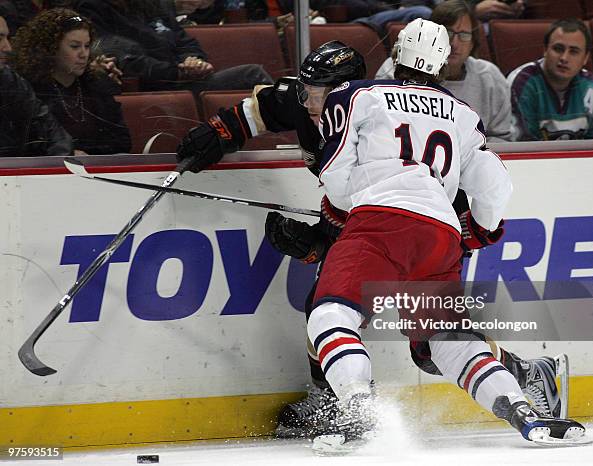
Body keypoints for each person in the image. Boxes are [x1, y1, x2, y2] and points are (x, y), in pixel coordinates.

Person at [176, 41, 563, 440]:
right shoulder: (318, 98)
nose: (310, 102)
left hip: (391, 223)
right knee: (410, 333)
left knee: (396, 339)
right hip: (407, 227)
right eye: (306, 91)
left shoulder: (361, 106)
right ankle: (334, 400)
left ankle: (523, 373)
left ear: (349, 87)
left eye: (319, 94)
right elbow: (260, 110)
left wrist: (316, 244)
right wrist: (218, 132)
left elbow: (374, 208)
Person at [306, 19, 588, 449]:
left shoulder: (356, 94)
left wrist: (341, 209)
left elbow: (337, 176)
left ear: (397, 54)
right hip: (440, 233)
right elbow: (496, 186)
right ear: (441, 64)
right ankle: (525, 412)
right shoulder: (462, 113)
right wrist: (479, 228)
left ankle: (358, 407)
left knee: (330, 315)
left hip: (380, 222)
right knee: (447, 340)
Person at [376, 1, 512, 142]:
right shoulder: (396, 69)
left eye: (464, 35)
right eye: (447, 33)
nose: (454, 43)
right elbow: (381, 133)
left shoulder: (490, 77)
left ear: (473, 43)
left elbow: (501, 139)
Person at [73, 0, 273, 93]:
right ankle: (301, 133)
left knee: (253, 76)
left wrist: (193, 60)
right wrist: (178, 72)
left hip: (182, 78)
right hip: (156, 87)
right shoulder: (91, 10)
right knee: (251, 75)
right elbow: (124, 58)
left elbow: (184, 40)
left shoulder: (148, 5)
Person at [11, 8, 131, 155]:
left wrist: (89, 155)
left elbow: (123, 141)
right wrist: (71, 153)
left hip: (99, 168)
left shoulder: (96, 83)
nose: (84, 54)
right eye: (75, 47)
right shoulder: (29, 89)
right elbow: (28, 145)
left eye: (87, 46)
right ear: (51, 49)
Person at [508, 18, 593, 141]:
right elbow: (523, 143)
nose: (564, 58)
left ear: (585, 58)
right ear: (545, 50)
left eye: (574, 52)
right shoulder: (522, 83)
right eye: (558, 49)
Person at [0, 14, 72, 157]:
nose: (8, 48)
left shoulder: (8, 80)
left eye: (7, 38)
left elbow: (53, 133)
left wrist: (59, 167)